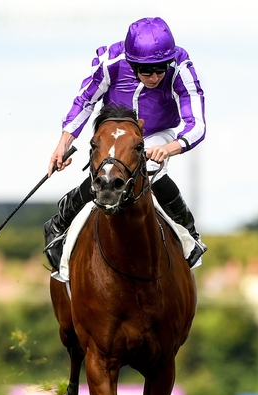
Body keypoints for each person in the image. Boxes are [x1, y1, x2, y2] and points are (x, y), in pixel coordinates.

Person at [44, 17, 207, 270]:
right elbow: (85, 101)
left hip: (157, 132)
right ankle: (59, 222)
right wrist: (63, 143)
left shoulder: (180, 67)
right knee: (109, 171)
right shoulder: (111, 63)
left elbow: (197, 124)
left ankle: (189, 231)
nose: (155, 77)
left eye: (161, 69)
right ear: (132, 63)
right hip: (114, 130)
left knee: (149, 167)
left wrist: (169, 148)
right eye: (146, 71)